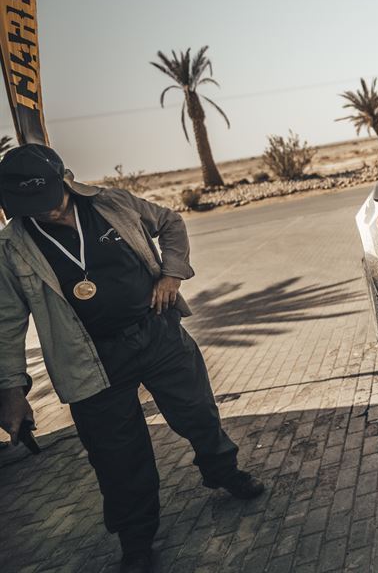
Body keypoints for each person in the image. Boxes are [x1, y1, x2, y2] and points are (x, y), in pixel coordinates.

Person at [0, 145, 263, 573]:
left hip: (157, 333)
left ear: (65, 179)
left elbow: (171, 222)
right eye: (28, 203)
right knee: (117, 456)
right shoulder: (11, 247)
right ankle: (136, 540)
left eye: (47, 198)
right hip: (88, 359)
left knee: (197, 412)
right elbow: (6, 321)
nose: (43, 210)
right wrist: (11, 390)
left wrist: (172, 274)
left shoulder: (113, 203)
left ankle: (222, 470)